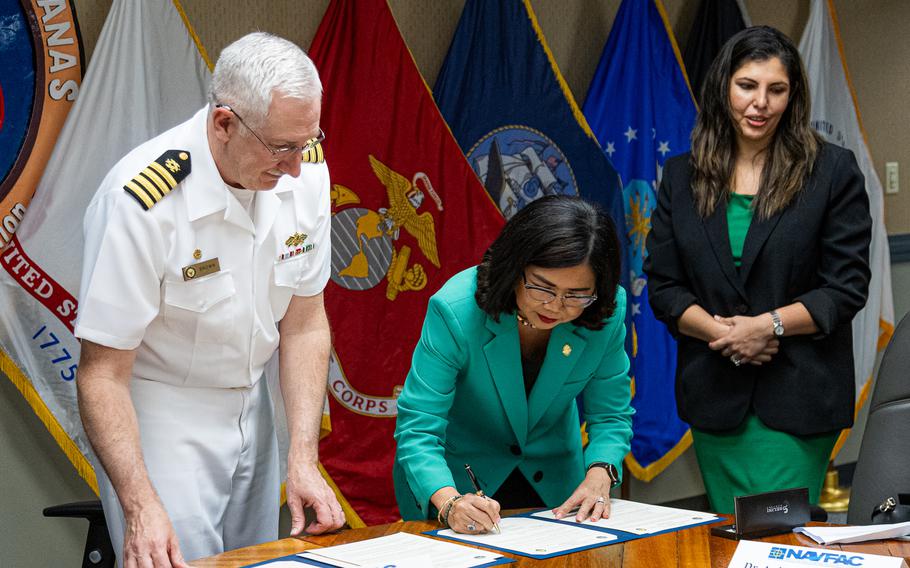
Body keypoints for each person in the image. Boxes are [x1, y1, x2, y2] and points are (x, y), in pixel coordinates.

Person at [74, 32, 344, 566]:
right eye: (281, 147)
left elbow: (306, 322)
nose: (297, 165)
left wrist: (303, 456)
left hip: (255, 404)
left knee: (259, 559)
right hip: (163, 413)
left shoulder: (305, 166)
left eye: (307, 140)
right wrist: (140, 502)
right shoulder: (142, 201)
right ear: (224, 123)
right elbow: (101, 373)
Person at [644, 26, 871, 514]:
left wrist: (767, 326)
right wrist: (725, 334)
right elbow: (663, 285)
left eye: (777, 89)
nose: (760, 103)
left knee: (778, 539)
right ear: (724, 86)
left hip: (799, 395)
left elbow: (846, 287)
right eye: (747, 85)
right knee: (730, 534)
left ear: (793, 96)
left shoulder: (832, 171)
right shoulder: (682, 175)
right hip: (714, 394)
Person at [393, 195, 634, 533]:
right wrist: (449, 501)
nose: (556, 306)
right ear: (514, 267)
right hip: (460, 485)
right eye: (542, 287)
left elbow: (610, 415)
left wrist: (599, 473)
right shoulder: (455, 310)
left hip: (555, 486)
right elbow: (418, 426)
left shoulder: (603, 312)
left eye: (576, 295)